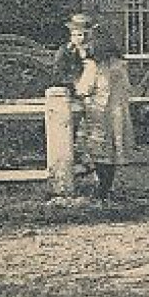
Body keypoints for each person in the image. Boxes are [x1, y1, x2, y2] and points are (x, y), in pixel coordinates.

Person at [74, 31, 136, 201]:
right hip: (117, 112)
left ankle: (101, 187)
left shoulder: (94, 66)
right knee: (112, 151)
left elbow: (84, 89)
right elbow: (127, 88)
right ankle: (106, 186)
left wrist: (76, 86)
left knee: (97, 150)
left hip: (98, 112)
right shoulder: (120, 65)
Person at [51, 13, 94, 90]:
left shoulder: (92, 50)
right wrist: (74, 82)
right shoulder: (65, 50)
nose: (77, 38)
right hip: (71, 86)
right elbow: (58, 74)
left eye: (80, 35)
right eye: (74, 35)